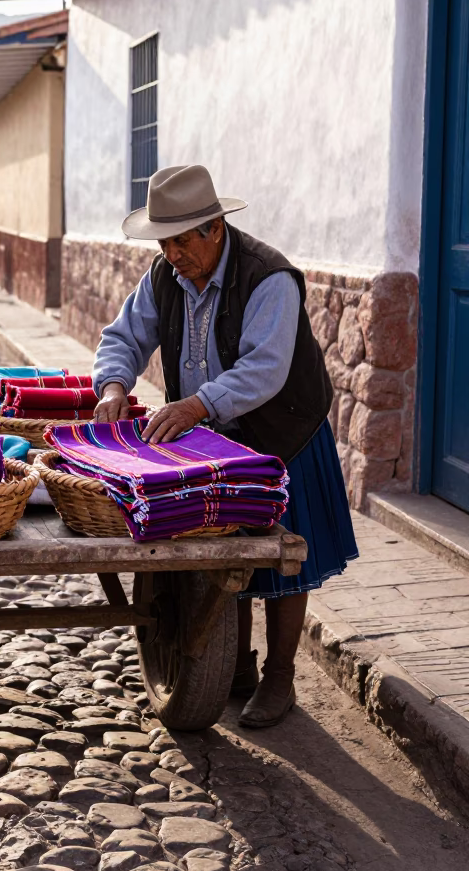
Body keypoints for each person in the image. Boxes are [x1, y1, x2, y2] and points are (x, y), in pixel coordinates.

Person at [93, 164, 358, 730]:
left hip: (283, 434)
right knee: (223, 548)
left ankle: (281, 678)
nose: (172, 253)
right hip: (214, 438)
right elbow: (124, 336)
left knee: (282, 559)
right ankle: (235, 666)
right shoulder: (164, 275)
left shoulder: (269, 277)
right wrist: (114, 384)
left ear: (214, 228)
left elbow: (265, 369)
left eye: (182, 240)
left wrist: (194, 406)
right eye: (163, 241)